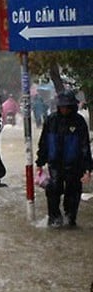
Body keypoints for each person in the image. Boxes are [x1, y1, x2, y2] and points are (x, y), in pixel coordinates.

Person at [36, 90, 93, 228]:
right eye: (62, 106)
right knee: (53, 189)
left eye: (67, 106)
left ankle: (70, 219)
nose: (64, 109)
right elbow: (44, 142)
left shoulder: (79, 122)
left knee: (73, 193)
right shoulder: (51, 120)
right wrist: (40, 162)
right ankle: (54, 218)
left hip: (74, 165)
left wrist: (88, 168)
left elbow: (85, 146)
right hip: (55, 164)